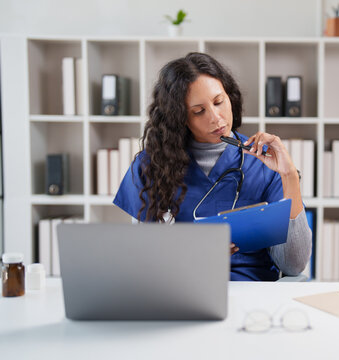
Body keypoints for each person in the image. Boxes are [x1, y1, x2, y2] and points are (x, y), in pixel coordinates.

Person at [113, 52, 312, 281]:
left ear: (230, 97)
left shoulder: (265, 164)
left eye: (219, 102)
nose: (216, 118)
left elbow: (294, 265)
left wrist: (289, 176)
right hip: (181, 288)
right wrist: (195, 253)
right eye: (199, 111)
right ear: (180, 119)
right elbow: (143, 260)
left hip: (251, 292)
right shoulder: (150, 166)